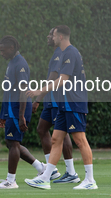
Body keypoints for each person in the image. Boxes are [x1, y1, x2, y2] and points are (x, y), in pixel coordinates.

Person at [25, 25, 97, 190]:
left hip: (74, 103)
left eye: (54, 35)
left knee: (79, 140)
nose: (52, 37)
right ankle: (45, 177)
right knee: (56, 139)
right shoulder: (65, 53)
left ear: (61, 37)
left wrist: (39, 91)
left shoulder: (70, 52)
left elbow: (62, 79)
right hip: (65, 105)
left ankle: (90, 180)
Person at [0, 35, 46, 189]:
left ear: (12, 48)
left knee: (13, 143)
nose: (1, 53)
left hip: (19, 109)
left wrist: (21, 115)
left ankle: (11, 181)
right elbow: (8, 91)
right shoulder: (11, 63)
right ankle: (40, 168)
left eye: (3, 51)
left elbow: (24, 92)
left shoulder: (20, 64)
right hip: (11, 110)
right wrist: (3, 114)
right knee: (12, 142)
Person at [32, 27, 76, 183]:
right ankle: (53, 171)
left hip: (57, 101)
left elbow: (53, 78)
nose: (49, 37)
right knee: (42, 129)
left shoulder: (61, 53)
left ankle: (71, 172)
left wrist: (38, 96)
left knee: (61, 135)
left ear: (59, 37)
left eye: (51, 34)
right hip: (50, 101)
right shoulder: (57, 53)